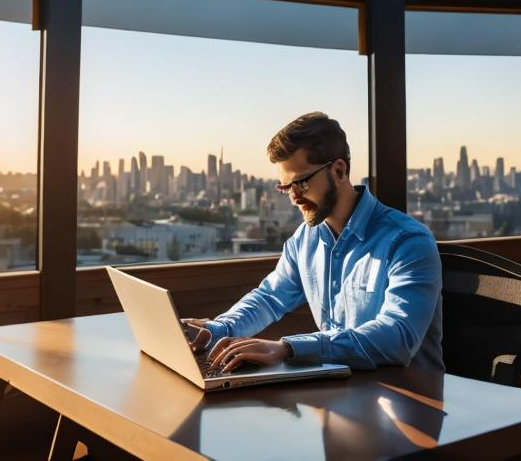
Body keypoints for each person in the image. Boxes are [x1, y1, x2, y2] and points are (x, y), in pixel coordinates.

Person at [184, 112, 443, 373]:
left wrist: (289, 348)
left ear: (339, 170)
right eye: (286, 187)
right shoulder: (305, 239)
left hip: (410, 401)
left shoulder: (407, 241)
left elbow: (397, 337)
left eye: (302, 182)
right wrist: (218, 330)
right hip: (339, 394)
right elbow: (269, 298)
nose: (294, 197)